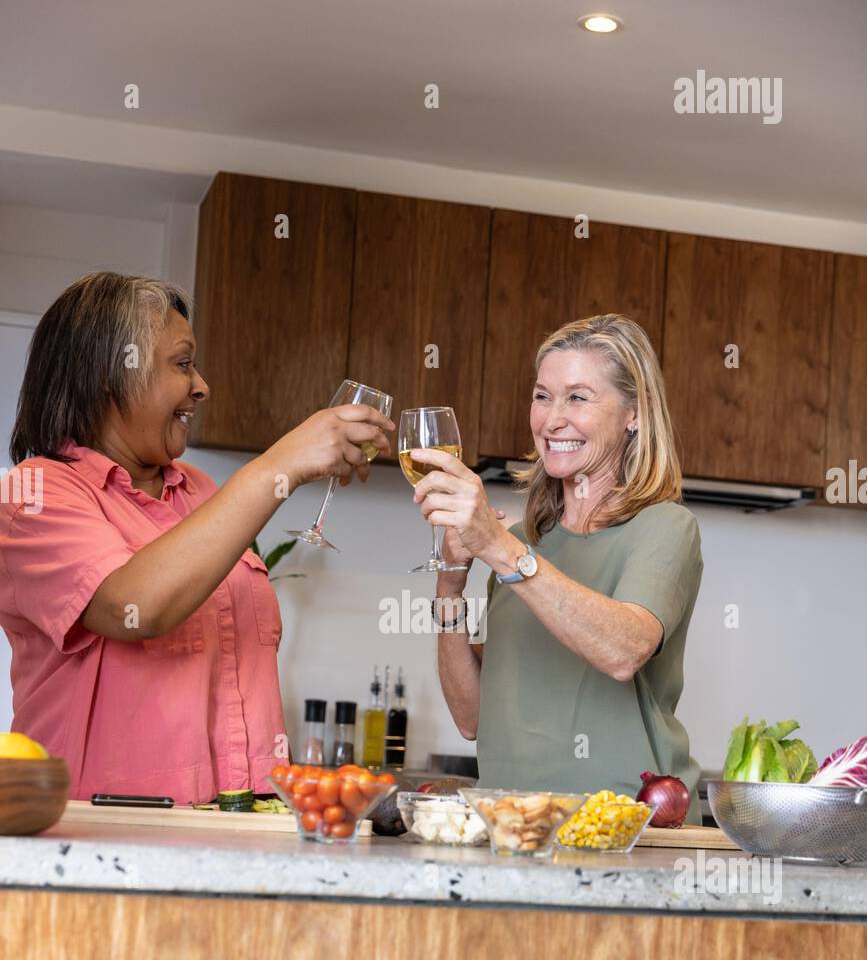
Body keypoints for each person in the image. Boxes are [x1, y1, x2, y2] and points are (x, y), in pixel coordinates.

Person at [0, 271, 392, 803]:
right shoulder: (33, 494)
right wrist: (275, 466)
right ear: (110, 376)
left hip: (234, 816)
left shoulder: (200, 492)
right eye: (183, 364)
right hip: (104, 831)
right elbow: (131, 605)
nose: (202, 385)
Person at [412, 313, 704, 821]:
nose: (552, 419)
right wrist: (450, 584)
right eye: (542, 396)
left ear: (634, 413)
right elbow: (472, 717)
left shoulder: (665, 528)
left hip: (625, 832)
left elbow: (622, 650)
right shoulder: (526, 545)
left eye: (578, 397)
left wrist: (500, 550)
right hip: (514, 826)